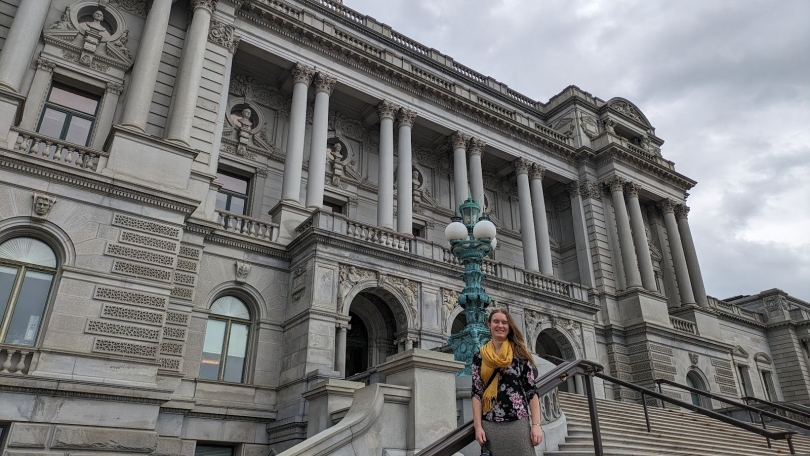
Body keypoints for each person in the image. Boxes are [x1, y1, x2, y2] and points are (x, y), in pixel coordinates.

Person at [472, 308, 543, 454]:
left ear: (509, 326)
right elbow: (477, 392)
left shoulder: (519, 353)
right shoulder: (480, 356)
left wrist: (536, 425)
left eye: (504, 322)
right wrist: (478, 427)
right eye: (496, 321)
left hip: (518, 421)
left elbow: (531, 390)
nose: (500, 325)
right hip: (490, 423)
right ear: (489, 325)